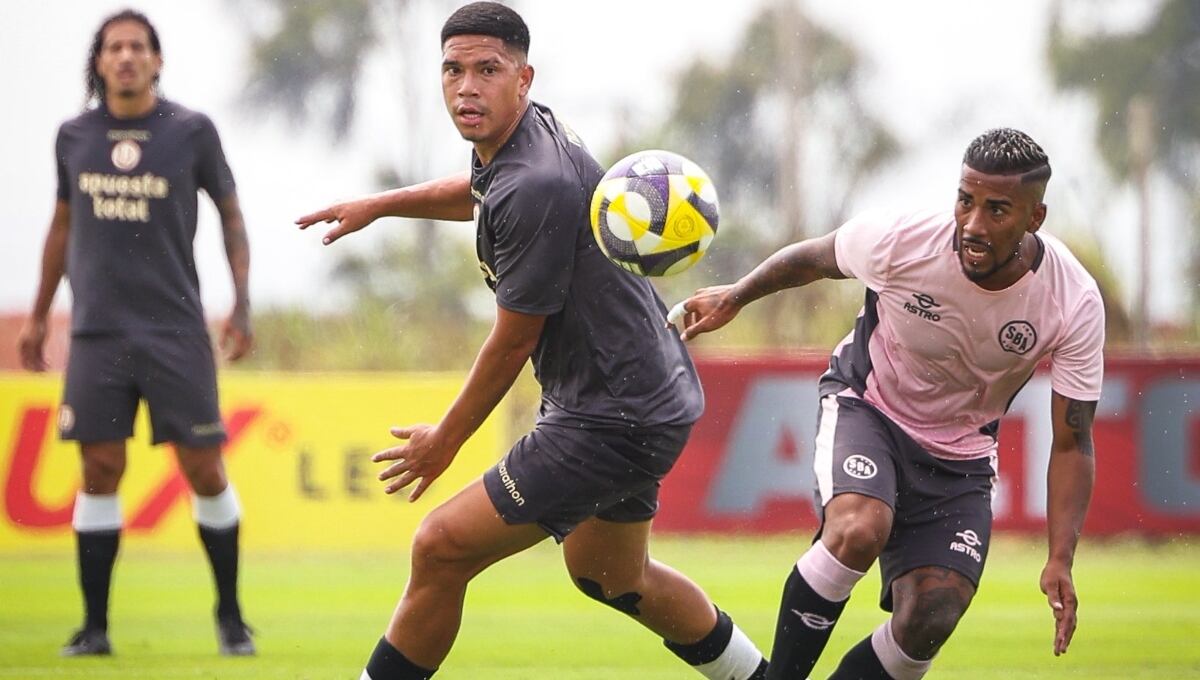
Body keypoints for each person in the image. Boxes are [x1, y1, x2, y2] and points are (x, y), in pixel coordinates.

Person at [295, 3, 768, 679]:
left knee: (440, 547)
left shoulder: (536, 182)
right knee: (612, 575)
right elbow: (483, 192)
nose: (466, 87)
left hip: (610, 417)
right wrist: (381, 203)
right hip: (648, 397)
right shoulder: (525, 137)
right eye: (453, 70)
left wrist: (446, 441)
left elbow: (513, 342)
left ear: (523, 77)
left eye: (486, 70)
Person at [671, 128, 1103, 679]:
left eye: (997, 210)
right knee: (857, 529)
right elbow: (814, 259)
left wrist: (1060, 558)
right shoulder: (904, 238)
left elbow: (1072, 440)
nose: (972, 225)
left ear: (1034, 218)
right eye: (965, 201)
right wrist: (736, 295)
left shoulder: (1073, 301)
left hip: (961, 455)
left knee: (934, 611)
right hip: (868, 406)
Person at [17, 9, 255, 657]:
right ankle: (94, 629)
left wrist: (242, 303)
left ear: (157, 60)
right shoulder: (74, 137)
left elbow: (232, 216)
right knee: (99, 468)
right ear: (98, 61)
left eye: (138, 47)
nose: (126, 56)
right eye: (114, 47)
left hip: (175, 330)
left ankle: (231, 617)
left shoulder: (191, 132)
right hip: (97, 333)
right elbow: (60, 228)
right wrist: (39, 317)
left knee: (204, 469)